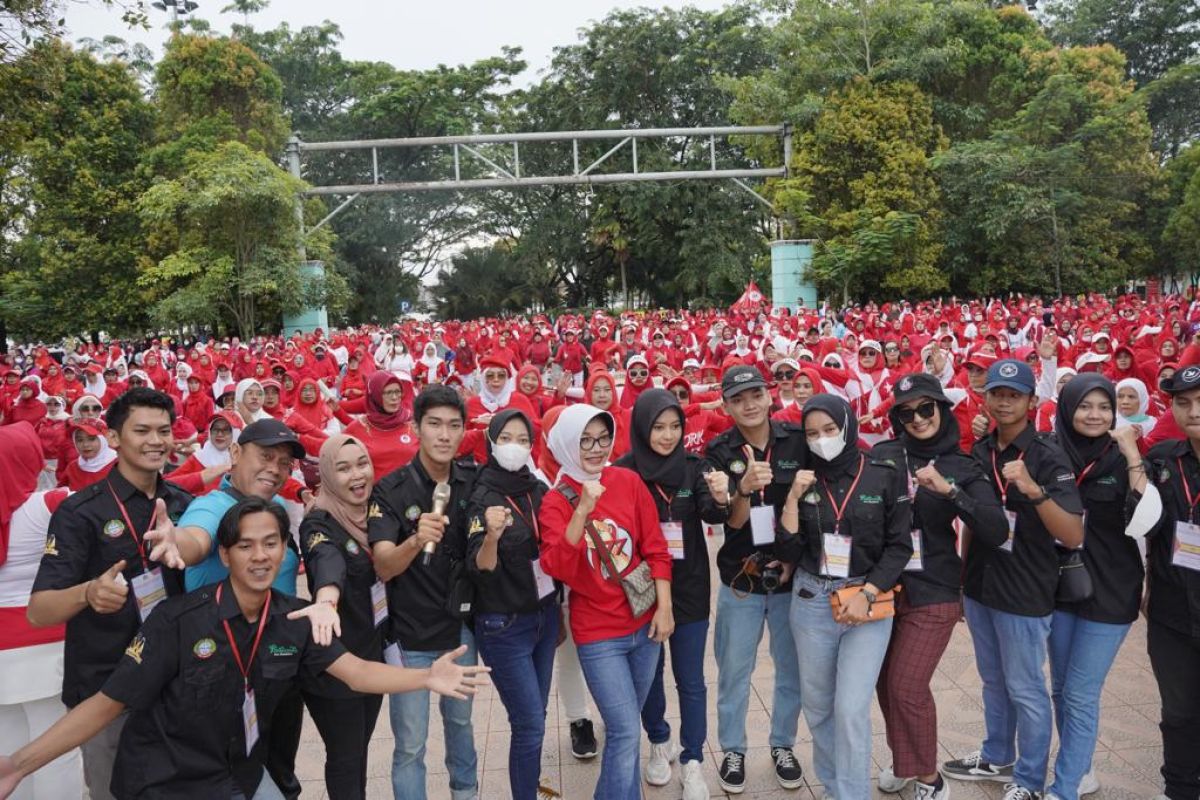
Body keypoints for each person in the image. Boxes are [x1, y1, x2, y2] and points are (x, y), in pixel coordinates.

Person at [0, 496, 489, 800]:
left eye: (271, 544)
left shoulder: (292, 618)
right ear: (226, 553)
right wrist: (19, 766)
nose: (260, 556)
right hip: (167, 782)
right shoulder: (178, 620)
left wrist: (425, 678)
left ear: (284, 551)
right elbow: (107, 705)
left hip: (239, 775)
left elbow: (357, 673)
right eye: (247, 546)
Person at [26, 388, 193, 800]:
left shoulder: (184, 506)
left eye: (164, 431)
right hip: (107, 692)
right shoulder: (80, 512)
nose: (156, 441)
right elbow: (39, 610)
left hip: (176, 684)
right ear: (114, 438)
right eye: (142, 430)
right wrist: (88, 592)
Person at [141, 417, 308, 799]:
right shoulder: (215, 506)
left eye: (284, 463)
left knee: (281, 773)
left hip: (276, 671)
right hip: (222, 672)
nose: (276, 469)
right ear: (234, 454)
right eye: (266, 457)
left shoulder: (276, 505)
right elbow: (196, 538)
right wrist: (175, 541)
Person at [942, 359, 1084, 800]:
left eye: (1014, 395)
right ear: (985, 398)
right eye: (997, 394)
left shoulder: (1047, 454)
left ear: (1031, 401)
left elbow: (1074, 533)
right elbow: (973, 520)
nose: (1004, 402)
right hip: (983, 584)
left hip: (1024, 589)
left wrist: (1033, 491)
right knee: (992, 680)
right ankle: (997, 754)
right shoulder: (981, 450)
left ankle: (1028, 780)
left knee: (1025, 688)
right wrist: (965, 582)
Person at [871, 374, 1008, 800]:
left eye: (926, 408)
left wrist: (950, 493)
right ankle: (903, 760)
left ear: (942, 410)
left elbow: (996, 528)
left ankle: (930, 779)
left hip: (935, 590)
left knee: (906, 685)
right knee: (883, 681)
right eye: (906, 412)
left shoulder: (962, 465)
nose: (917, 419)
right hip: (884, 588)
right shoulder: (882, 454)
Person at [773, 394, 912, 800]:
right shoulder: (804, 475)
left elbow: (900, 546)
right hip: (811, 599)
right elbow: (787, 551)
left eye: (830, 430)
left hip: (866, 601)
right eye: (812, 433)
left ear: (847, 426)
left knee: (850, 710)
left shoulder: (883, 472)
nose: (822, 440)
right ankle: (836, 790)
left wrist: (868, 593)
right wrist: (793, 500)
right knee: (818, 708)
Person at [539, 403, 674, 800]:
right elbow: (557, 565)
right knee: (625, 729)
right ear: (565, 443)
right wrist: (582, 507)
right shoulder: (555, 501)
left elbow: (655, 548)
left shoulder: (628, 481)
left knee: (625, 727)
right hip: (599, 633)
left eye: (602, 438)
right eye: (585, 440)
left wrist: (664, 608)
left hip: (645, 623)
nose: (597, 449)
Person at [367, 384, 480, 800]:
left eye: (454, 425)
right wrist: (415, 541)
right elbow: (382, 564)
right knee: (411, 745)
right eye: (434, 424)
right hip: (410, 635)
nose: (444, 435)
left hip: (461, 631)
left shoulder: (472, 480)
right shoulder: (390, 490)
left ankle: (465, 793)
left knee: (462, 726)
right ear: (415, 427)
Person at [616, 389, 730, 799]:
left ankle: (693, 759)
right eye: (658, 427)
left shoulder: (693, 467)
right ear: (643, 428)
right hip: (641, 590)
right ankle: (658, 740)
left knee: (691, 679)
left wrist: (720, 496)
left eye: (675, 427)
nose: (667, 436)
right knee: (648, 676)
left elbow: (713, 514)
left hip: (689, 588)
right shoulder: (624, 471)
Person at [1045, 374, 1152, 800]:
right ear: (1067, 408)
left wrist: (1129, 449)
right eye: (1084, 406)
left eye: (1103, 406)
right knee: (1059, 687)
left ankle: (1065, 787)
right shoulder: (1049, 452)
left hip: (1111, 589)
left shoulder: (1125, 457)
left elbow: (1147, 515)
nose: (1094, 415)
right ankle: (1082, 766)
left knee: (1080, 691)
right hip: (1058, 586)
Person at [702, 365, 807, 794]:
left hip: (789, 578)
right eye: (737, 398)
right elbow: (730, 521)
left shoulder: (796, 440)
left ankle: (783, 744)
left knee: (791, 671)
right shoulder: (718, 450)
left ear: (769, 395)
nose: (748, 405)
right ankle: (733, 749)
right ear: (726, 405)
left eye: (755, 395)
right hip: (740, 579)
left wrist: (795, 561)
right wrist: (742, 488)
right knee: (734, 670)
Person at [463, 409, 558, 800]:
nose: (514, 447)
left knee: (536, 716)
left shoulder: (537, 488)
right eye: (506, 438)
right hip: (503, 625)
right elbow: (479, 567)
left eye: (522, 439)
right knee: (529, 723)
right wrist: (491, 536)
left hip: (545, 616)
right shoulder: (480, 494)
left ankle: (529, 786)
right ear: (491, 441)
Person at [0, 422, 82, 800]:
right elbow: (116, 499)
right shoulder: (46, 504)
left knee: (8, 751)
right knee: (54, 750)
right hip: (45, 641)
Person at [1141, 365, 1200, 800]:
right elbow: (1145, 526)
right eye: (1183, 402)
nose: (1193, 410)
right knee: (1178, 711)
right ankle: (1179, 788)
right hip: (1171, 608)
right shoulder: (1162, 460)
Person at [343, 372, 419, 480]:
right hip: (376, 494)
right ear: (375, 395)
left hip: (414, 493)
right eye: (387, 393)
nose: (394, 397)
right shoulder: (358, 427)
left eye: (398, 392)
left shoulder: (412, 422)